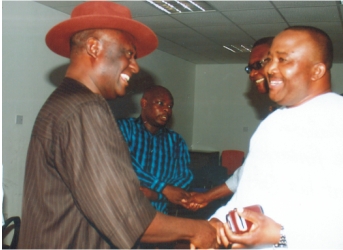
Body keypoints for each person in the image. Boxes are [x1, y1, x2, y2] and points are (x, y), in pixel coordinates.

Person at [18, 2, 217, 249]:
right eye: (129, 54)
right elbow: (130, 218)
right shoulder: (85, 109)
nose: (135, 66)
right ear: (93, 47)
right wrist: (201, 230)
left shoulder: (63, 102)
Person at [208, 26, 343, 249]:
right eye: (269, 60)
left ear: (316, 71)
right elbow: (247, 198)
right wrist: (219, 222)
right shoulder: (271, 125)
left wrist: (280, 235)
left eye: (283, 60)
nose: (270, 69)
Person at [186, 37, 273, 211]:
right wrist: (207, 196)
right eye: (250, 68)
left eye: (259, 65)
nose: (252, 74)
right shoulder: (273, 119)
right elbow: (246, 173)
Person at [117, 85, 193, 215]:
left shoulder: (176, 141)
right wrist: (163, 188)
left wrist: (157, 195)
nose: (166, 110)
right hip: (121, 214)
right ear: (144, 103)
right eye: (160, 103)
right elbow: (124, 163)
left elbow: (185, 177)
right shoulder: (124, 128)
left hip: (158, 217)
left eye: (170, 106)